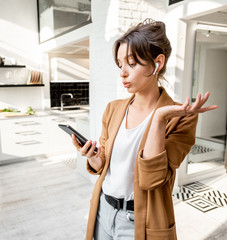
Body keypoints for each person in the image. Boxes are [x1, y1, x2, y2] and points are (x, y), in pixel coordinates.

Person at [71, 19, 218, 240]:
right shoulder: (113, 109)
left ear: (158, 62)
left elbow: (153, 180)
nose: (123, 72)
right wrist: (92, 157)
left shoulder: (180, 118)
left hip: (140, 222)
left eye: (132, 63)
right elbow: (103, 166)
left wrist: (158, 118)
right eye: (120, 64)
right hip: (103, 209)